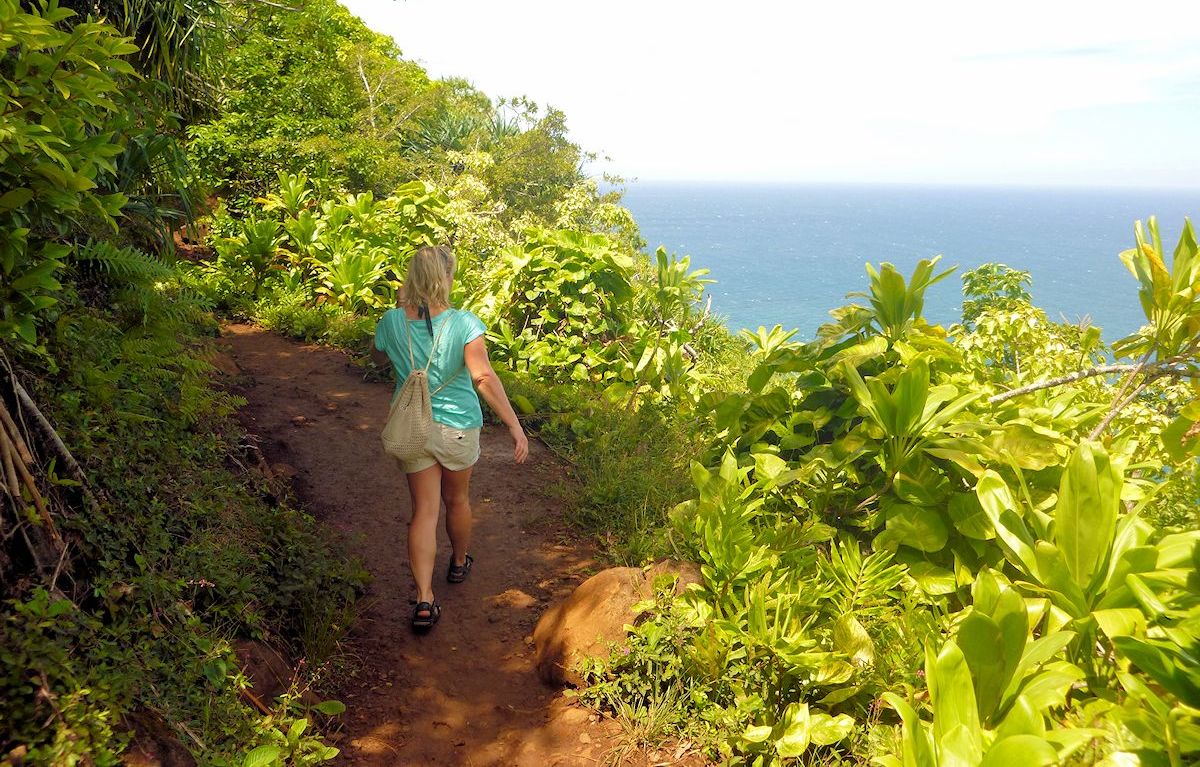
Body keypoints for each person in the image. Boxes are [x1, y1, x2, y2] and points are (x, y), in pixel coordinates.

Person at [370, 246, 529, 632]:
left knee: (424, 511)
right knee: (456, 499)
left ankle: (424, 598)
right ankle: (459, 563)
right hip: (457, 426)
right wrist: (513, 425)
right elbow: (483, 377)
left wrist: (399, 313)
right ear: (445, 278)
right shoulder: (463, 323)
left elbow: (378, 359)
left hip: (413, 428)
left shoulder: (390, 322)